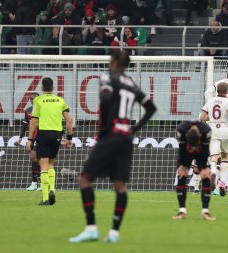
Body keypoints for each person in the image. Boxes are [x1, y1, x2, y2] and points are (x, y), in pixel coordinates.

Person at [69, 50, 157, 243]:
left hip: (111, 135)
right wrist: (134, 128)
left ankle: (91, 228)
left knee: (84, 179)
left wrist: (105, 128)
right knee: (119, 185)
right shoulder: (131, 83)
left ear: (116, 61)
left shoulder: (108, 77)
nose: (109, 62)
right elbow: (151, 108)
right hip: (126, 136)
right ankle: (114, 232)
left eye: (110, 59)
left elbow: (107, 99)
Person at [26, 77, 73, 205]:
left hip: (43, 134)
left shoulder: (38, 100)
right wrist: (69, 138)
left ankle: (46, 198)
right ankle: (52, 189)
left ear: (41, 88)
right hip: (57, 134)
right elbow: (69, 121)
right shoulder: (60, 100)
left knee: (43, 166)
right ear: (53, 88)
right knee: (51, 164)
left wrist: (30, 139)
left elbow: (33, 121)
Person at [199, 82, 228, 197]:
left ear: (217, 90)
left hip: (212, 131)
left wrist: (211, 118)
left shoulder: (210, 101)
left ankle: (212, 172)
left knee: (214, 157)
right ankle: (222, 184)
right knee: (225, 157)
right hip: (225, 131)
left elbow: (202, 117)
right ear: (227, 91)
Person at [173, 120, 215, 220]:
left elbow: (205, 151)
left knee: (206, 176)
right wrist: (182, 166)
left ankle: (205, 212)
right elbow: (182, 150)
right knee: (182, 174)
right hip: (186, 151)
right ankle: (182, 211)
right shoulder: (181, 131)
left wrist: (203, 167)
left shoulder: (207, 132)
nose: (194, 148)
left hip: (202, 151)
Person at [19, 92, 41, 191]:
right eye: (31, 98)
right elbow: (25, 125)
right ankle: (35, 183)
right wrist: (20, 137)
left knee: (39, 159)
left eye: (34, 98)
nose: (32, 100)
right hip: (33, 137)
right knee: (34, 158)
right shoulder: (28, 110)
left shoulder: (43, 109)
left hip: (43, 136)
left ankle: (41, 183)